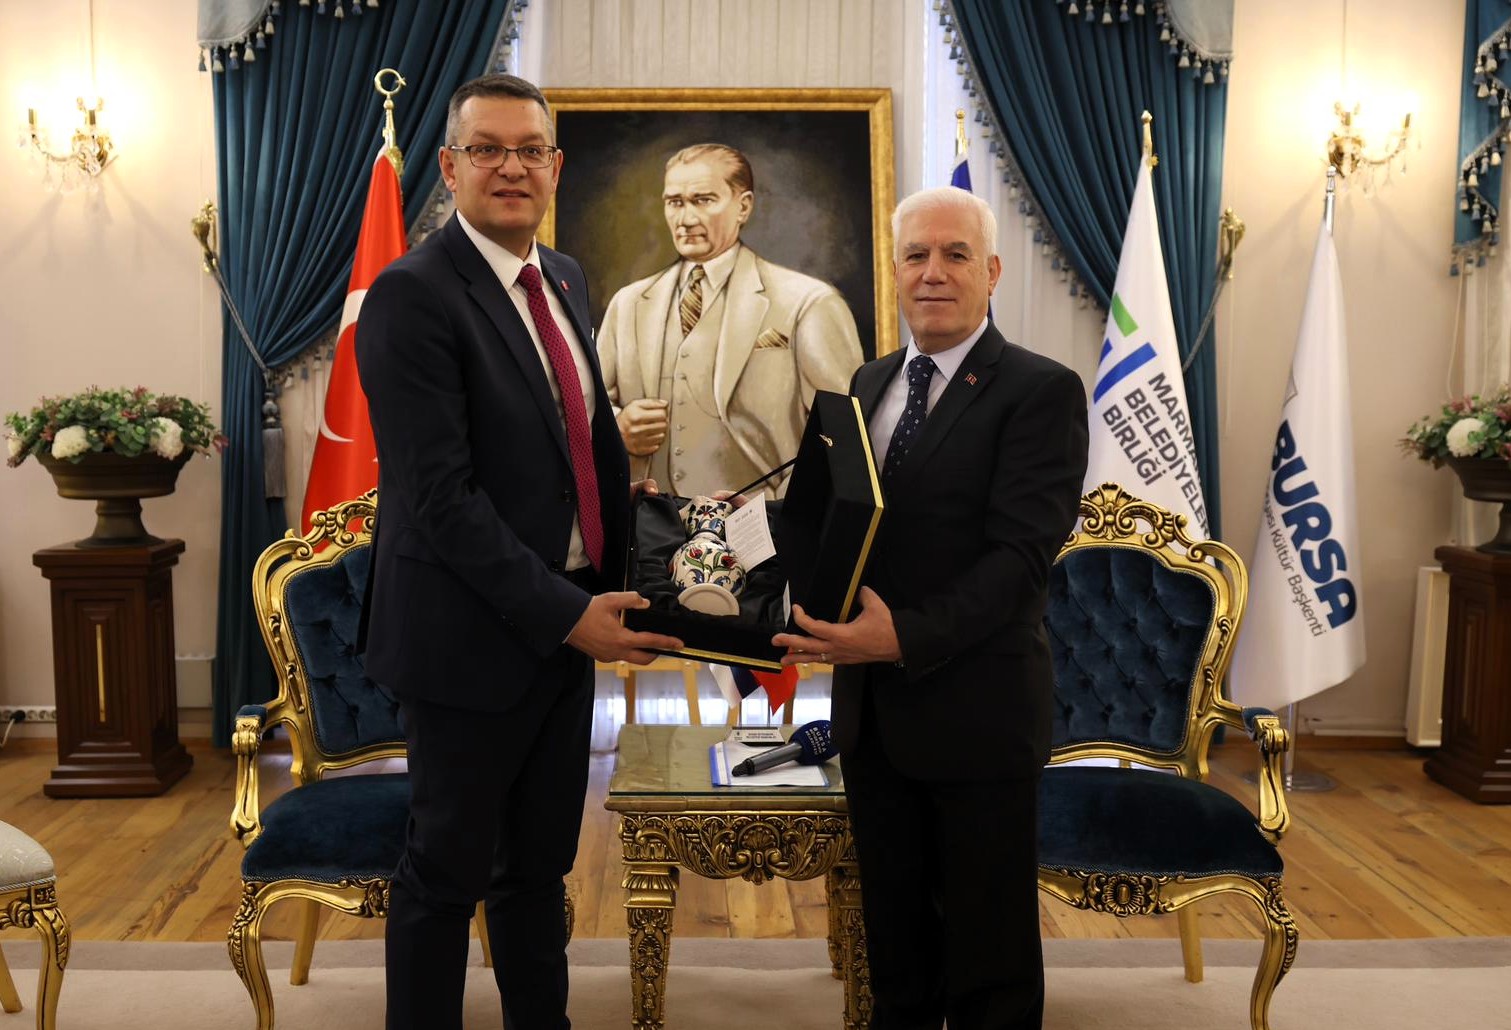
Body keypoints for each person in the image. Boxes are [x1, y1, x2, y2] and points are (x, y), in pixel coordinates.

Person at [354, 74, 683, 1030]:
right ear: (449, 166)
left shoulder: (564, 276)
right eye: (488, 150)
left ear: (555, 166)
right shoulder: (412, 294)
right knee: (444, 875)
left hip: (560, 628)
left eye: (529, 150)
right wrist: (570, 616)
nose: (511, 168)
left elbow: (575, 445)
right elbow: (440, 501)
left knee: (538, 870)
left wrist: (639, 534)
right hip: (465, 639)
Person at [773, 186, 1089, 1029]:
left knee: (990, 970)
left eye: (955, 255)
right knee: (897, 958)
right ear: (895, 271)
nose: (933, 273)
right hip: (872, 721)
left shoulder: (1040, 390)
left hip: (977, 716)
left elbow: (1018, 563)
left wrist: (899, 638)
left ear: (991, 272)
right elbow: (829, 525)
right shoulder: (868, 381)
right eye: (915, 255)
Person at [597, 142, 864, 497]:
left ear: (744, 206)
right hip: (647, 523)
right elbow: (584, 410)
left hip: (766, 524)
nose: (686, 219)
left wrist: (777, 511)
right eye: (675, 202)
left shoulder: (808, 302)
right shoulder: (628, 304)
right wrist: (617, 425)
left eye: (703, 200)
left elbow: (844, 440)